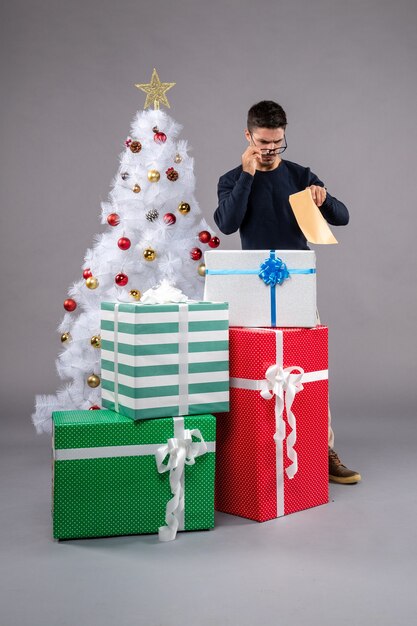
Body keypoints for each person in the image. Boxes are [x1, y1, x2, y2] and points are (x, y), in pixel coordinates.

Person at [214, 100, 361, 484]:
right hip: (251, 287)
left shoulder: (300, 175)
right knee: (249, 370)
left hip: (298, 284)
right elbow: (226, 224)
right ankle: (249, 456)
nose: (270, 151)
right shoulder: (231, 179)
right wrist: (247, 175)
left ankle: (323, 450)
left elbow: (342, 217)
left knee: (309, 369)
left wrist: (323, 197)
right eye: (263, 143)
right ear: (248, 136)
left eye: (278, 144)